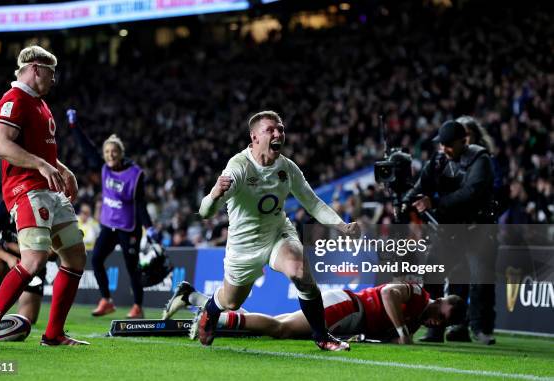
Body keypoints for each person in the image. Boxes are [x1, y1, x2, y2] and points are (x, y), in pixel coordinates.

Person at [196, 111, 360, 351]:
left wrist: (341, 225)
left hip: (277, 233)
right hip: (244, 244)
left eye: (281, 129)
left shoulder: (287, 168)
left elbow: (312, 202)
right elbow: (205, 212)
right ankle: (210, 311)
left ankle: (322, 335)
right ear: (254, 137)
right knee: (231, 301)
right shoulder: (239, 166)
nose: (278, 134)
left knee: (300, 271)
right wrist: (214, 195)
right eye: (270, 130)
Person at [0, 45, 88, 348]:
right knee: (34, 260)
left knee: (75, 257)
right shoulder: (13, 100)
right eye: (51, 72)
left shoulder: (41, 104)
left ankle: (53, 335)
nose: (54, 79)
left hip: (49, 190)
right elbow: (0, 144)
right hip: (27, 190)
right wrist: (41, 164)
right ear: (35, 68)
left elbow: (43, 152)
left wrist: (63, 169)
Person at [409, 120, 497, 345]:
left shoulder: (481, 159)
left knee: (480, 281)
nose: (444, 149)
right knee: (432, 275)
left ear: (463, 141)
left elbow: (472, 193)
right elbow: (421, 186)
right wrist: (407, 196)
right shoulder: (438, 159)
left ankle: (481, 330)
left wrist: (435, 203)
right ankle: (434, 328)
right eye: (442, 144)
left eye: (449, 145)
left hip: (477, 230)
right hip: (449, 231)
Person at [164, 281, 465, 344]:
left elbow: (379, 336)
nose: (437, 321)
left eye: (443, 323)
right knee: (279, 329)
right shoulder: (416, 293)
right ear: (442, 301)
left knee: (278, 324)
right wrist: (401, 333)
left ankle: (194, 297)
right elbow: (387, 293)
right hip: (347, 306)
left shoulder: (414, 325)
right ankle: (207, 311)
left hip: (347, 316)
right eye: (443, 314)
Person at [67, 109, 154, 319]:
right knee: (96, 259)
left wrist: (149, 227)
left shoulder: (135, 175)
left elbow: (140, 204)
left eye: (113, 152)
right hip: (109, 224)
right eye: (107, 152)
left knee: (132, 267)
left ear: (121, 152)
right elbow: (88, 150)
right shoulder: (104, 167)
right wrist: (74, 126)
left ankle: (138, 306)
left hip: (129, 227)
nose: (110, 155)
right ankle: (106, 300)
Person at [0, 199, 49, 326]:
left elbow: (52, 253)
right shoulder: (3, 205)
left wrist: (13, 247)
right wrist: (9, 258)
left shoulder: (41, 205)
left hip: (33, 267)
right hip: (8, 264)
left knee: (26, 321)